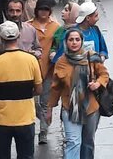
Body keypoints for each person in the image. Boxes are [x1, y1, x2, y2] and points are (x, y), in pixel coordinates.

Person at [47, 28, 109, 159]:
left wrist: (97, 84)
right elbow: (55, 87)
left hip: (90, 108)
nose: (74, 42)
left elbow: (104, 74)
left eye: (77, 39)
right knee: (74, 142)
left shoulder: (91, 57)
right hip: (70, 108)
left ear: (82, 41)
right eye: (71, 40)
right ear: (66, 42)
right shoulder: (61, 62)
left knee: (87, 143)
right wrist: (49, 109)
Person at [0, 21, 43, 159]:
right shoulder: (31, 59)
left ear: (1, 39)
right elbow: (39, 89)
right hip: (26, 119)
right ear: (18, 37)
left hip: (2, 120)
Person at [27, 0, 60, 144]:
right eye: (41, 9)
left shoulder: (56, 27)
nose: (44, 12)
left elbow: (59, 46)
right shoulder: (28, 26)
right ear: (36, 10)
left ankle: (43, 132)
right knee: (32, 103)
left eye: (46, 9)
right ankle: (44, 119)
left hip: (49, 71)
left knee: (46, 102)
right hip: (30, 72)